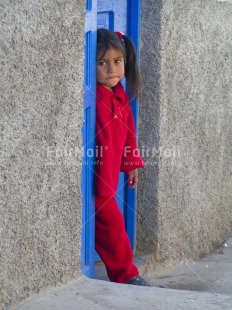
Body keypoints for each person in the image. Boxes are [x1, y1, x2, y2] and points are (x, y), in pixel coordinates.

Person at [94, 28, 150, 286]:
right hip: (93, 176)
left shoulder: (120, 95)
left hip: (107, 178)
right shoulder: (93, 96)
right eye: (102, 63)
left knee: (109, 225)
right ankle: (126, 275)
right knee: (112, 225)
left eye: (117, 62)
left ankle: (124, 273)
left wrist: (131, 166)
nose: (112, 70)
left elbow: (129, 134)